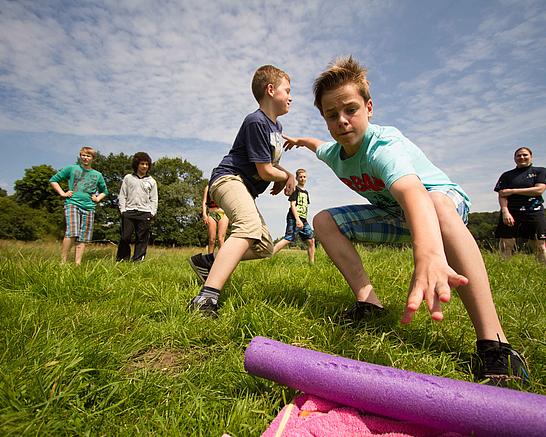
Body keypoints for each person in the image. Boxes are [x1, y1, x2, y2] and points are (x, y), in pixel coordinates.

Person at [283, 56, 528, 385]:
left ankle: (495, 344)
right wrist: (301, 141)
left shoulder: (383, 146)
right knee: (324, 221)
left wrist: (427, 253)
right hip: (397, 215)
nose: (342, 121)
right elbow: (318, 146)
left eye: (351, 110)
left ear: (369, 108)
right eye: (332, 115)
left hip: (442, 204)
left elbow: (413, 192)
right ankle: (369, 303)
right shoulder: (334, 152)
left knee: (436, 205)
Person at [188, 64, 295, 317]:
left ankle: (209, 263)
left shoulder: (276, 128)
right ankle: (206, 298)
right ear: (270, 90)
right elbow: (265, 170)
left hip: (245, 187)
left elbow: (271, 165)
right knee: (248, 227)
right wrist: (285, 176)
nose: (291, 97)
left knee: (264, 246)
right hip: (228, 179)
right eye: (287, 90)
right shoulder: (256, 121)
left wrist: (280, 174)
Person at [50, 146, 108, 265]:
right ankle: (63, 262)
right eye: (83, 155)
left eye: (88, 156)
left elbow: (105, 191)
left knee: (84, 236)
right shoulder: (72, 168)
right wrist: (62, 193)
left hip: (89, 207)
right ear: (80, 156)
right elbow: (54, 180)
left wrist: (97, 198)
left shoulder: (97, 175)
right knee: (72, 232)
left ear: (93, 158)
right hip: (72, 204)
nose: (85, 158)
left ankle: (77, 263)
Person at [494, 147, 546, 264]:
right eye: (518, 155)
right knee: (506, 245)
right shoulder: (507, 175)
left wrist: (513, 191)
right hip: (511, 212)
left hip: (534, 212)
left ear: (531, 157)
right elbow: (502, 194)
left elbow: (539, 190)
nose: (522, 157)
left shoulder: (540, 171)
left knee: (539, 245)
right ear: (514, 158)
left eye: (525, 155)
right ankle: (504, 270)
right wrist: (505, 212)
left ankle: (542, 270)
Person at [116, 152, 158, 262]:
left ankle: (138, 260)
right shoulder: (128, 178)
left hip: (144, 212)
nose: (144, 166)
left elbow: (154, 199)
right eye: (142, 164)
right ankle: (122, 259)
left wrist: (152, 212)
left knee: (142, 238)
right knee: (125, 237)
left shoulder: (152, 181)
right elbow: (122, 194)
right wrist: (123, 210)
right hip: (129, 211)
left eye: (146, 164)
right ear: (136, 164)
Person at [273, 168, 316, 263]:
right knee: (288, 239)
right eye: (300, 177)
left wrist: (303, 219)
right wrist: (297, 219)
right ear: (296, 178)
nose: (302, 178)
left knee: (311, 240)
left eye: (304, 177)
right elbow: (292, 205)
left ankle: (312, 264)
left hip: (303, 219)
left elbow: (304, 207)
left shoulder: (306, 192)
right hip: (294, 218)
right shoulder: (295, 190)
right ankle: (268, 255)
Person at [201, 184, 229, 254]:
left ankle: (221, 260)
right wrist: (204, 214)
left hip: (223, 214)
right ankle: (209, 260)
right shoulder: (208, 187)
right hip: (211, 214)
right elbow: (204, 201)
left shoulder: (224, 185)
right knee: (211, 239)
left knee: (220, 238)